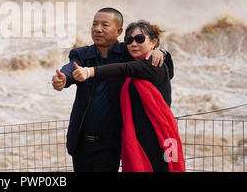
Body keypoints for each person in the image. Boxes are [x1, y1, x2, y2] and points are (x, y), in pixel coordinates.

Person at [51, 8, 173, 172]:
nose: (97, 29)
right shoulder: (81, 54)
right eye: (94, 24)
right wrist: (64, 79)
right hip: (80, 141)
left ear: (119, 31)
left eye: (104, 25)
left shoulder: (128, 52)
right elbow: (70, 69)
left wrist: (162, 52)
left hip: (110, 143)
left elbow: (158, 68)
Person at [72, 20, 185, 172]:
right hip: (136, 138)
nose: (133, 44)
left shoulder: (153, 63)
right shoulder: (139, 63)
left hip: (155, 138)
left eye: (139, 39)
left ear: (153, 42)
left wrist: (89, 71)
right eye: (129, 40)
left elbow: (123, 69)